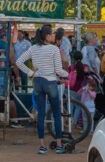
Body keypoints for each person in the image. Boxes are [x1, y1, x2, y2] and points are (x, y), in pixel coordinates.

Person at [16, 25, 68, 155]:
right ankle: (59, 145)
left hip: (38, 82)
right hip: (51, 82)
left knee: (41, 115)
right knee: (56, 114)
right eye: (52, 34)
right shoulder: (54, 49)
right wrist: (67, 74)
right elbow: (58, 70)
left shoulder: (33, 48)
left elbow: (18, 62)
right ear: (47, 35)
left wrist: (31, 73)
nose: (53, 36)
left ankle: (42, 146)